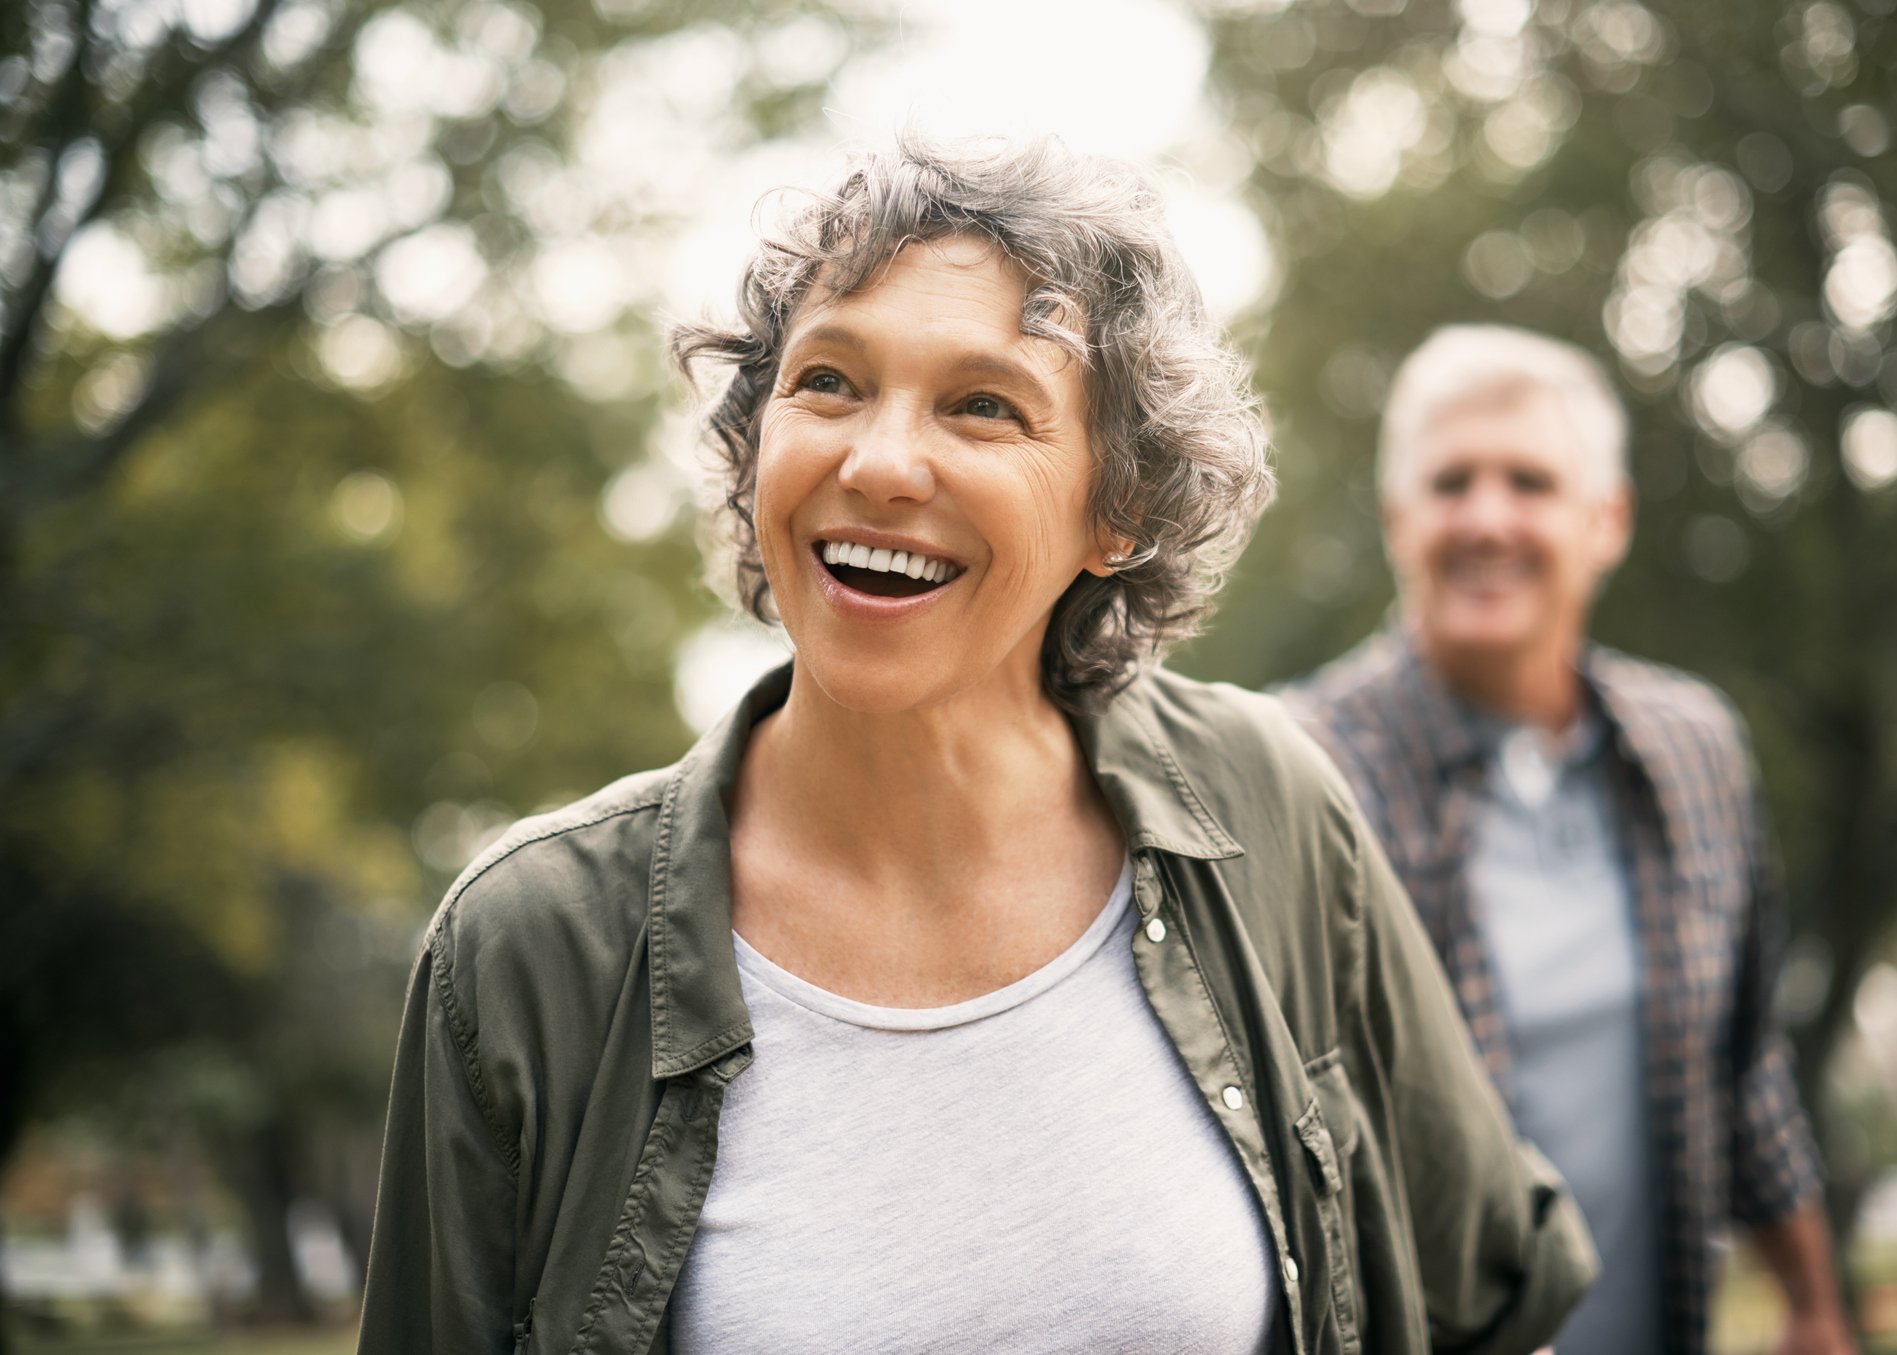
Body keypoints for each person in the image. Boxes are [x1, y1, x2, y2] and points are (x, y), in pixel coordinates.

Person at [355, 140, 1595, 1355]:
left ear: (1118, 508)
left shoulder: (1262, 803)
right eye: (827, 381)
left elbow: (1493, 1299)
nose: (880, 460)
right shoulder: (524, 951)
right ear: (754, 446)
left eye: (983, 405)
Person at [1281, 326, 1856, 1355]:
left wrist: (1813, 1304)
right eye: (1451, 481)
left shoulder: (1694, 748)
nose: (1487, 517)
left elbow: (1743, 1064)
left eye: (1530, 482)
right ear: (1397, 518)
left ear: (1607, 520)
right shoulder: (1299, 767)